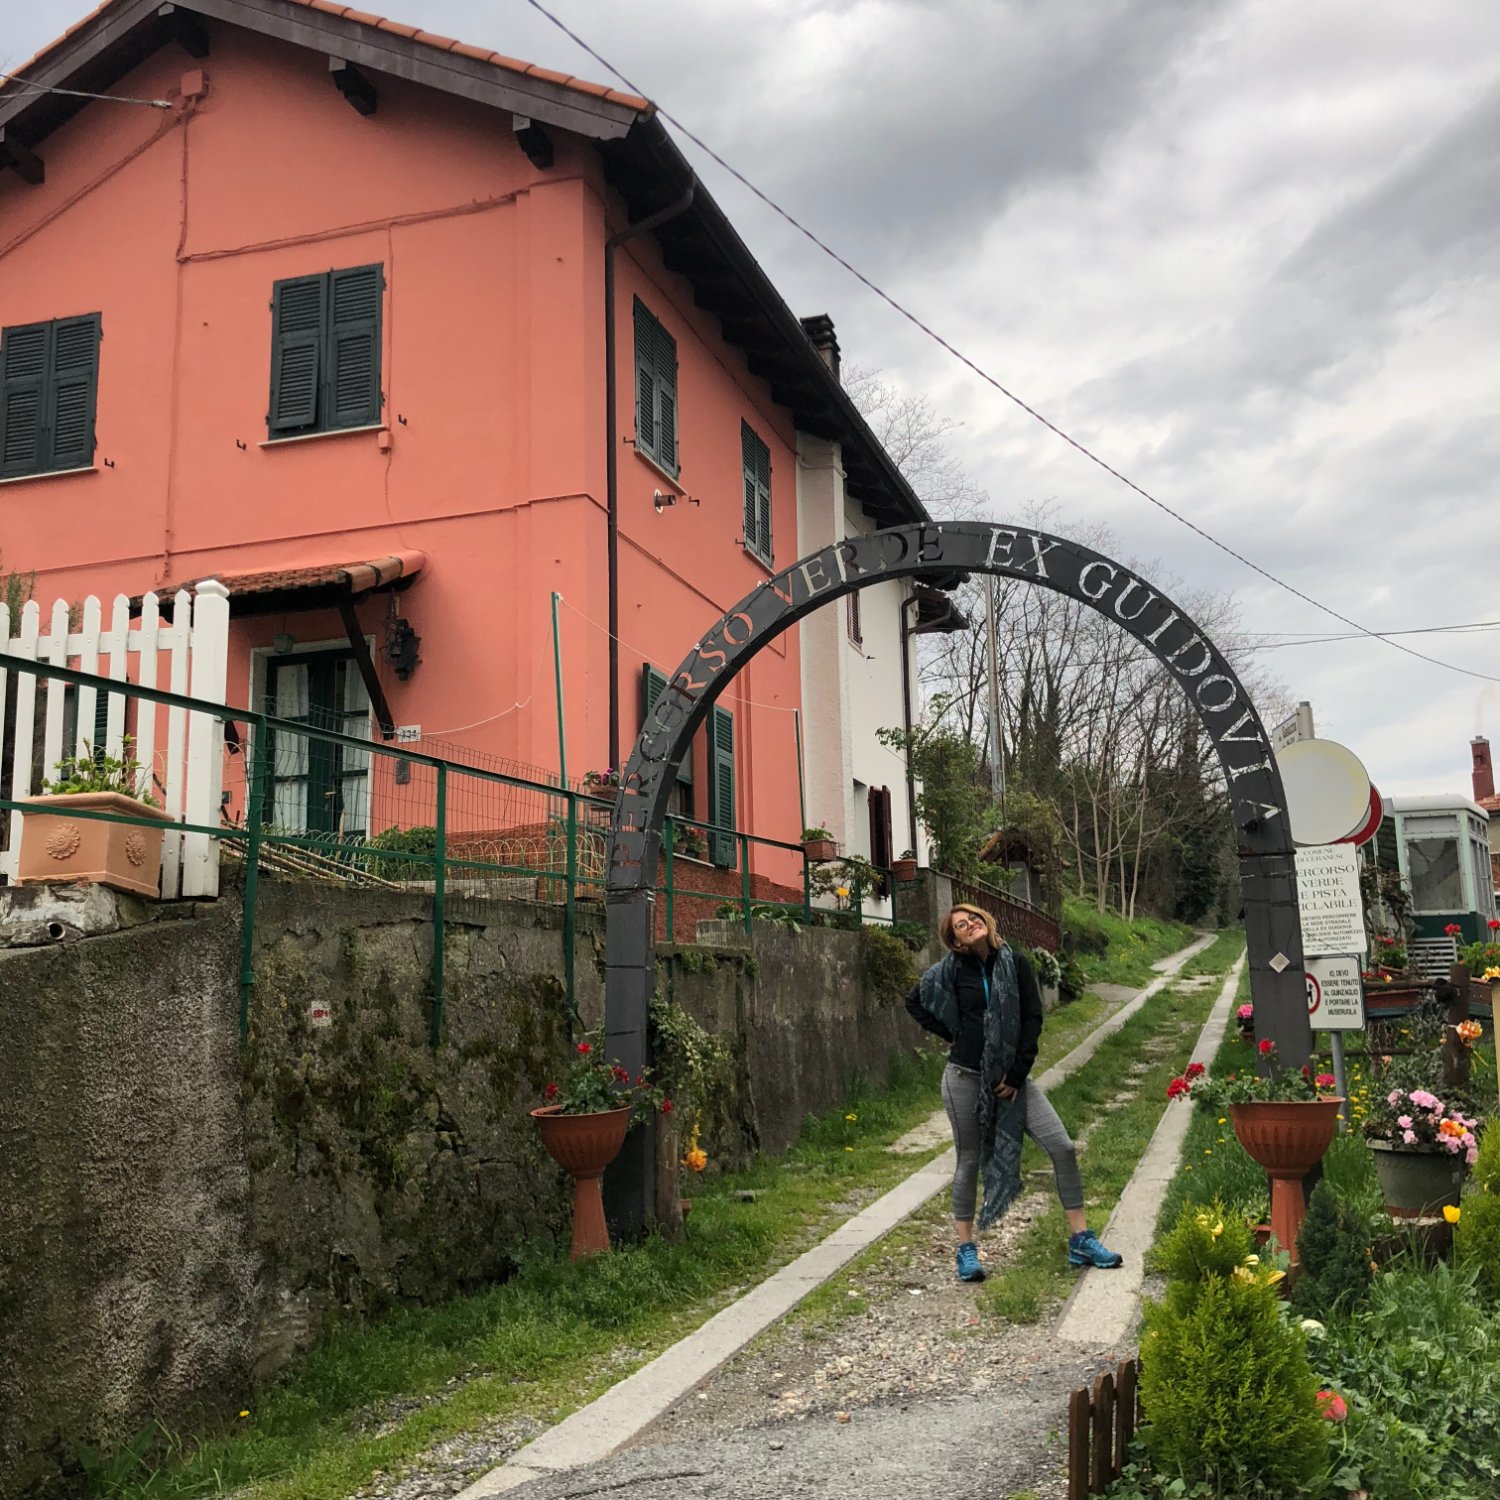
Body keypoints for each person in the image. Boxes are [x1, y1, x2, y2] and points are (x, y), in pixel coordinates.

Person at [905, 902, 1122, 1282]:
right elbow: (915, 1001)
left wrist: (1018, 1073)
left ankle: (1081, 1240)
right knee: (969, 1160)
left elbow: (1032, 1018)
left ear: (985, 922)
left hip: (1015, 1081)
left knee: (1063, 1147)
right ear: (955, 941)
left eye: (972, 918)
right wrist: (953, 1035)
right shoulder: (951, 971)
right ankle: (966, 1251)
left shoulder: (1016, 963)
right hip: (965, 1078)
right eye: (960, 925)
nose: (969, 924)